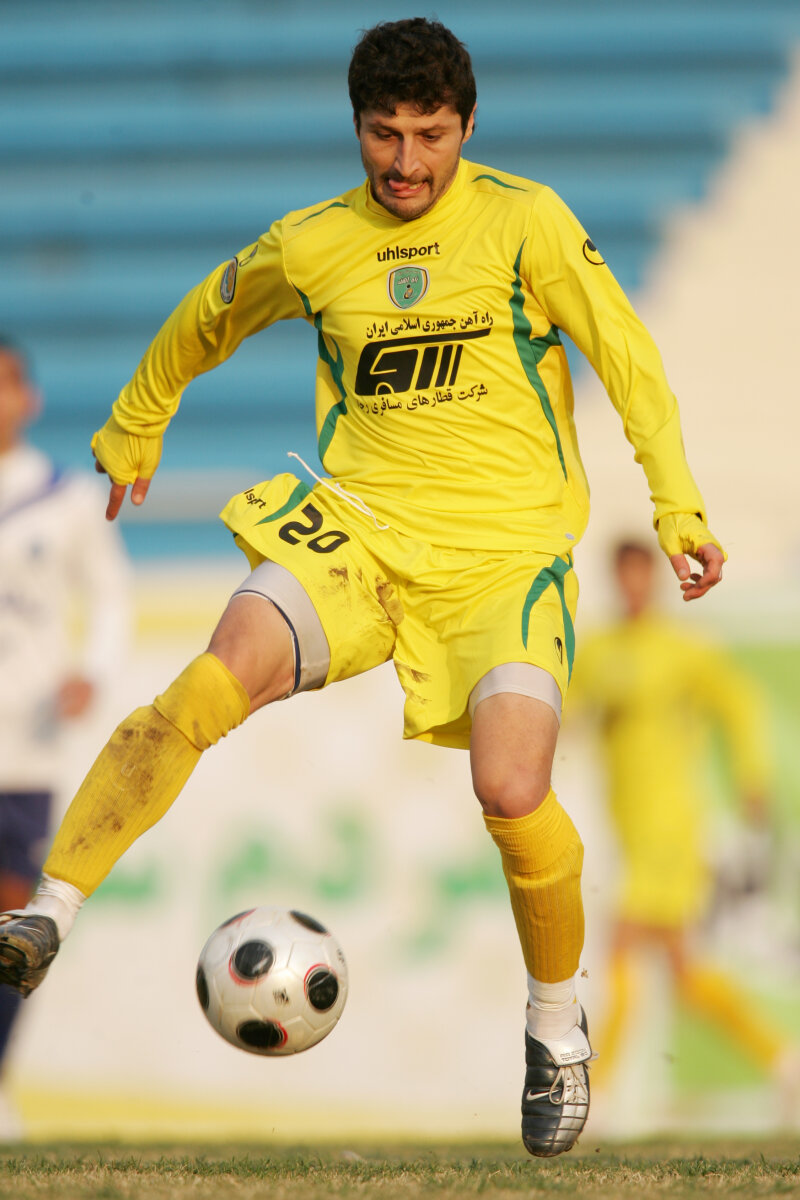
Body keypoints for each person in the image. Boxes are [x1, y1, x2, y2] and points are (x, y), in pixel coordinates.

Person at [0, 20, 725, 1157]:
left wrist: (676, 505)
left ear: (466, 127)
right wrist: (138, 418)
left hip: (501, 556)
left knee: (511, 788)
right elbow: (208, 313)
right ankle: (49, 911)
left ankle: (553, 1027)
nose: (405, 161)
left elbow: (627, 359)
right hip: (358, 536)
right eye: (384, 134)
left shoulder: (525, 220)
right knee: (215, 676)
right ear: (357, 127)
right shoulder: (314, 242)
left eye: (429, 135)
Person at [570, 540, 796, 1126]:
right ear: (616, 579)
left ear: (653, 579)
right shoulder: (599, 651)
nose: (633, 586)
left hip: (671, 829)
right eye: (624, 576)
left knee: (622, 947)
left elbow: (739, 703)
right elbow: (566, 715)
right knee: (685, 974)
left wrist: (751, 776)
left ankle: (597, 1097)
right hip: (630, 831)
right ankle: (783, 1061)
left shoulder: (682, 650)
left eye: (641, 575)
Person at [0, 336, 131, 1136]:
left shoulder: (64, 498)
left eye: (4, 384)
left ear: (30, 399)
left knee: (14, 927)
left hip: (26, 742)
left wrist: (91, 669)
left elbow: (111, 596)